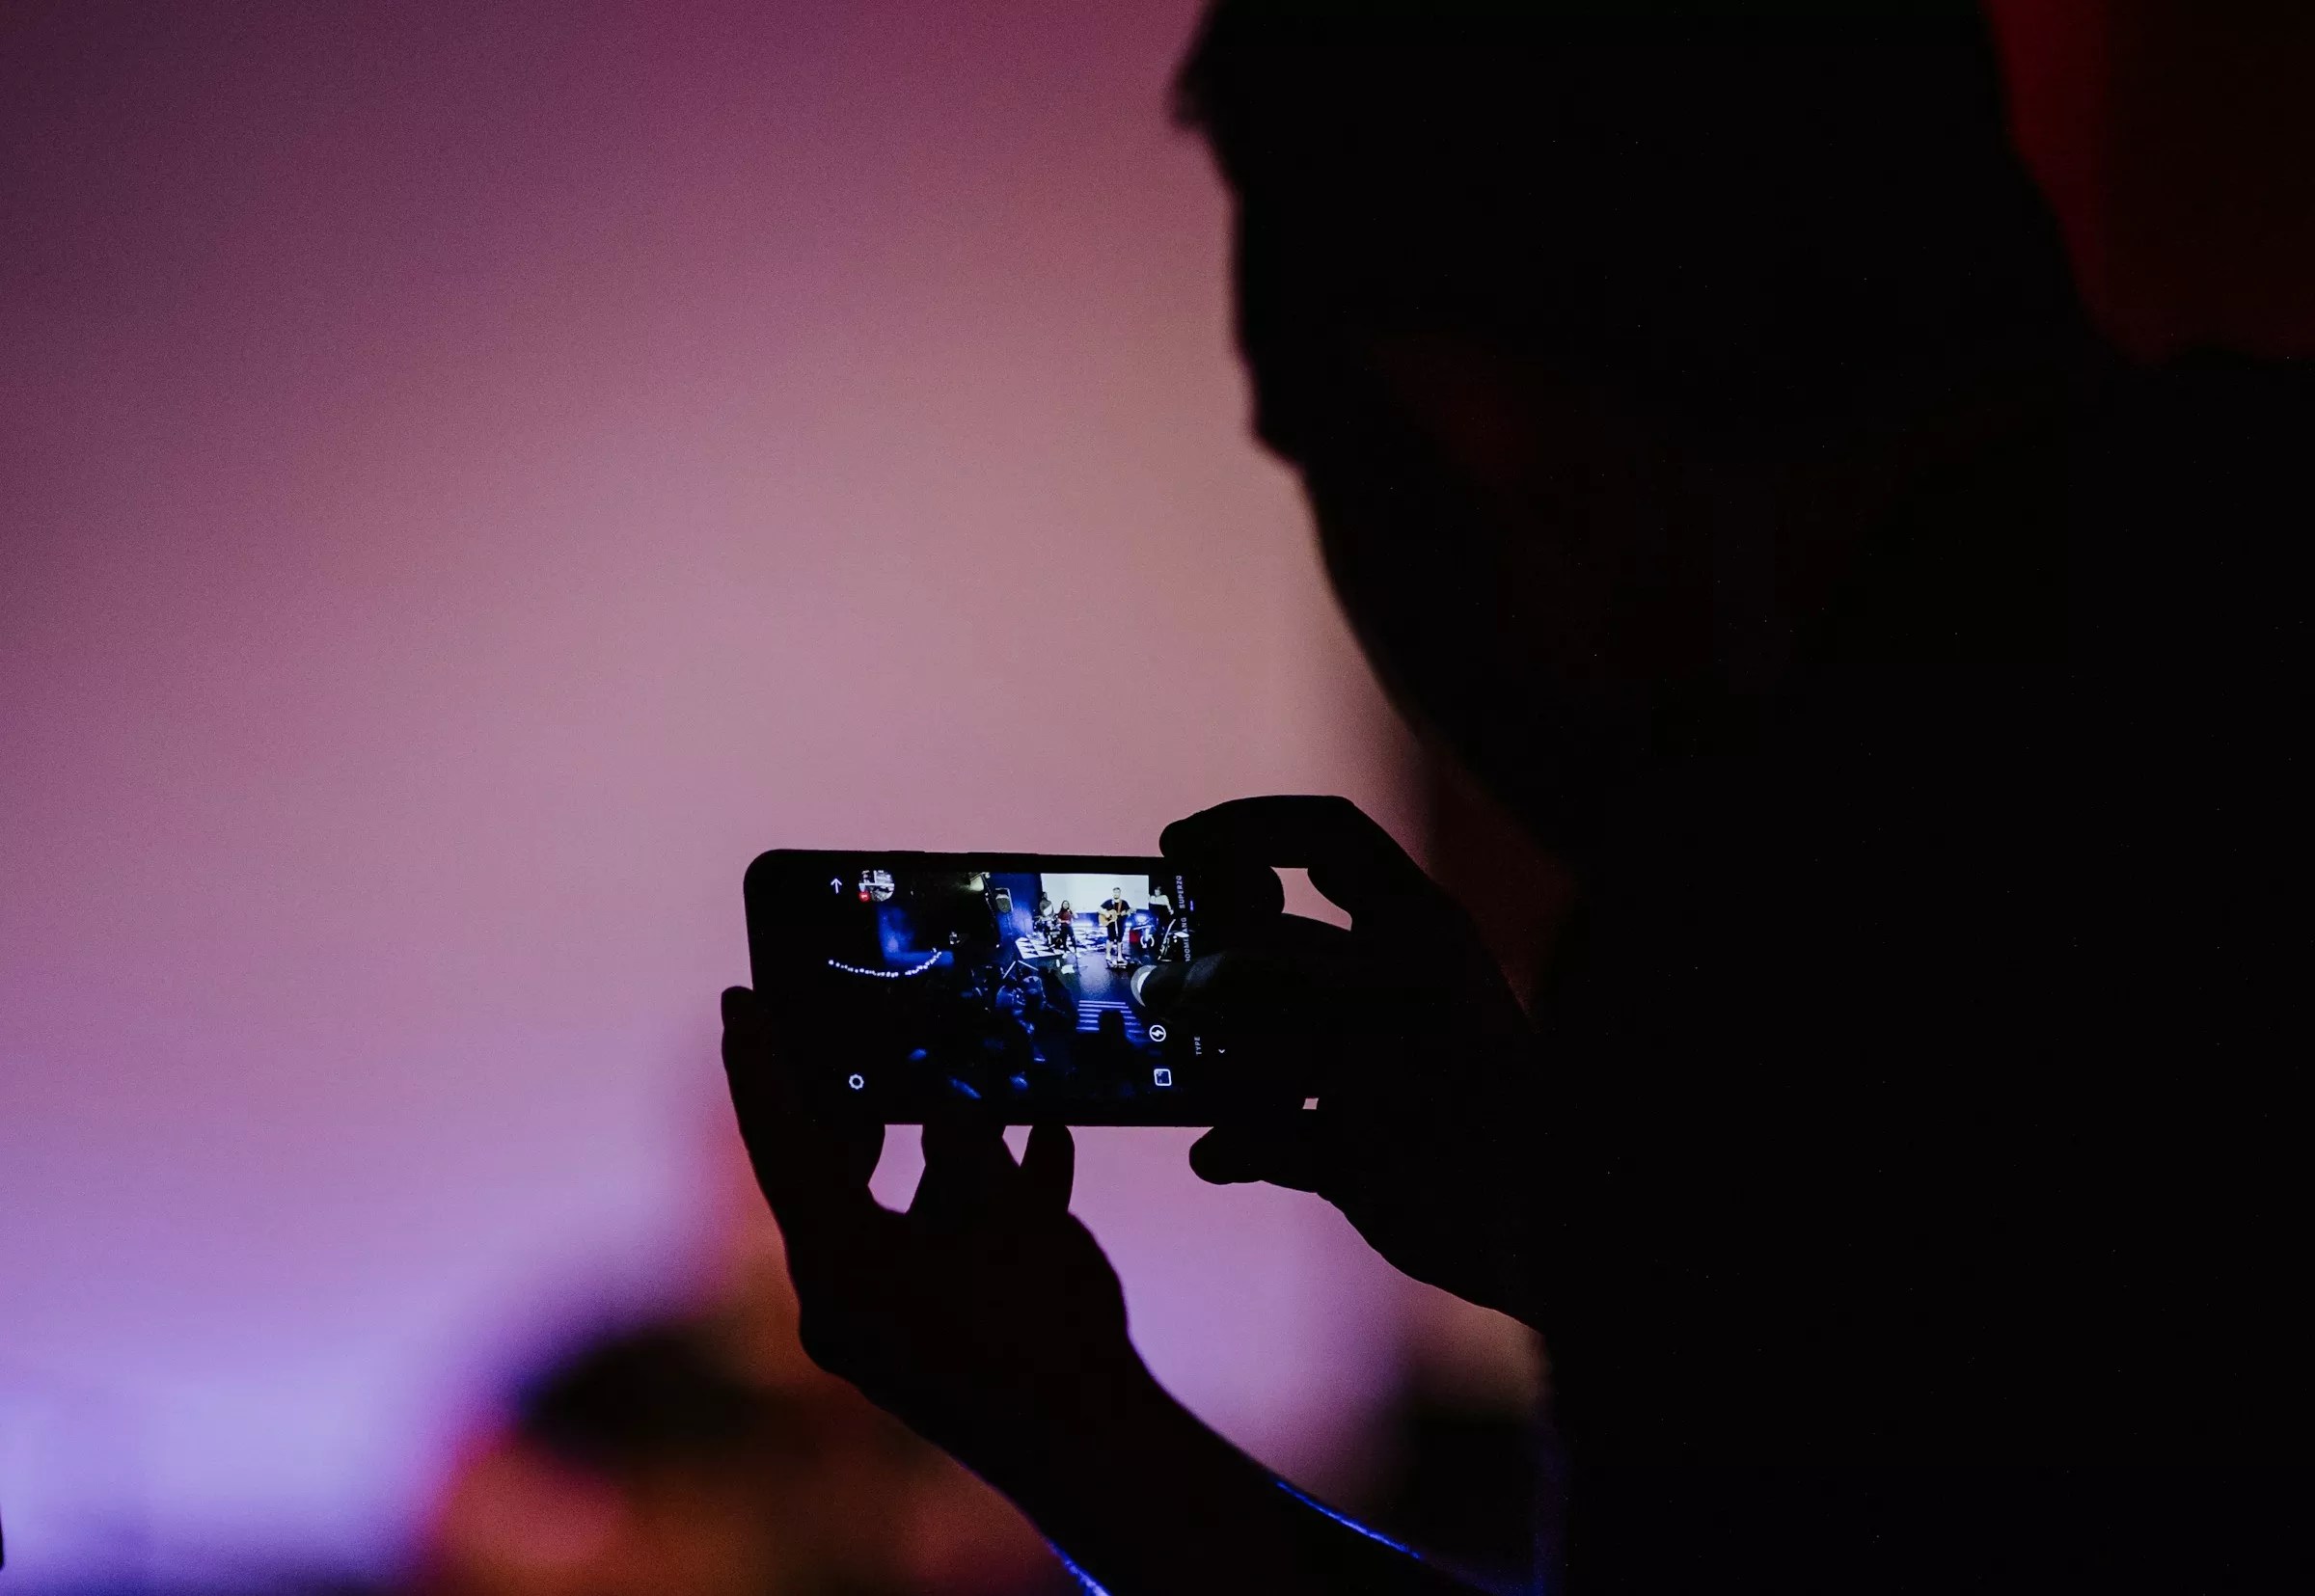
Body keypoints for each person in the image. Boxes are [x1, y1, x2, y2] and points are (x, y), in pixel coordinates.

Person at [722, 2, 2310, 1590]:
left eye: (1321, 459)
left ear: (1475, 435)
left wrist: (1065, 1424)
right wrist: (1602, 1231)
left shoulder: (1797, 915)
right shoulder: (2220, 578)